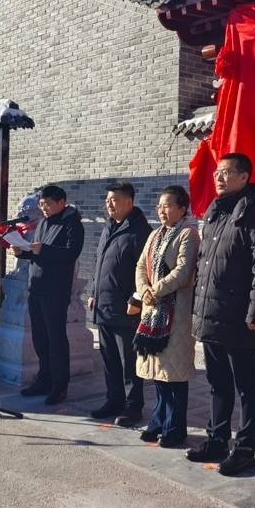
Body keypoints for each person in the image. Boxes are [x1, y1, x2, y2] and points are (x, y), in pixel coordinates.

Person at [187, 152, 255, 476]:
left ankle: (245, 448)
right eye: (217, 173)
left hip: (240, 316)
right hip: (211, 312)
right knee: (217, 381)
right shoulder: (214, 212)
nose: (219, 178)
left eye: (226, 173)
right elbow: (204, 266)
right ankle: (217, 439)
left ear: (244, 177)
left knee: (246, 385)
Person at [134, 185, 200, 448]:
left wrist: (156, 289)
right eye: (160, 205)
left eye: (168, 205)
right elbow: (141, 265)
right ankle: (158, 421)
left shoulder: (188, 234)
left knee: (174, 374)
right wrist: (143, 290)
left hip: (176, 312)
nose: (162, 210)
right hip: (152, 311)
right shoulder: (155, 235)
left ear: (182, 208)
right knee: (157, 372)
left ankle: (175, 427)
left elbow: (184, 271)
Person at [11, 185, 84, 404]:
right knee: (40, 338)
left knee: (56, 339)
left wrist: (42, 249)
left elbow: (71, 253)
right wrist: (22, 251)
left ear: (61, 202)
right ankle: (44, 378)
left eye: (48, 204)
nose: (44, 208)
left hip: (56, 290)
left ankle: (59, 386)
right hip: (37, 287)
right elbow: (37, 253)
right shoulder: (43, 222)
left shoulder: (72, 224)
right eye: (41, 204)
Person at [88, 182, 151, 426]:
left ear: (129, 202)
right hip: (103, 305)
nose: (108, 204)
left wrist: (135, 299)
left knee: (129, 362)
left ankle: (132, 407)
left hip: (126, 309)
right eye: (108, 200)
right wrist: (94, 291)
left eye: (114, 200)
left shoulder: (139, 232)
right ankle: (113, 400)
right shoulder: (109, 227)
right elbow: (99, 262)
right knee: (109, 359)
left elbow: (145, 271)